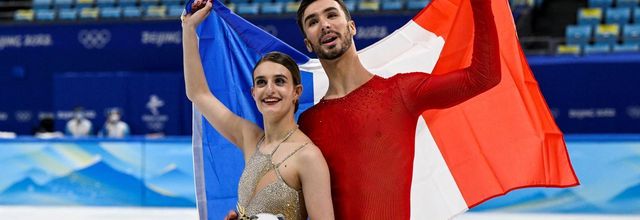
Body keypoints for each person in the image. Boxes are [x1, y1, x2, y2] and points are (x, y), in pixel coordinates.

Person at [293, 0, 501, 219]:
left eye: (332, 15)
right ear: (308, 43)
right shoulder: (308, 124)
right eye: (313, 21)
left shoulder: (400, 92)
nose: (324, 24)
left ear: (351, 27)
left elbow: (484, 77)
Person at [182, 1, 334, 219]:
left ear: (296, 92)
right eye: (261, 82)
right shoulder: (250, 137)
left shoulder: (308, 157)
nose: (269, 90)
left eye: (279, 81)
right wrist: (188, 29)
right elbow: (198, 94)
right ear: (253, 93)